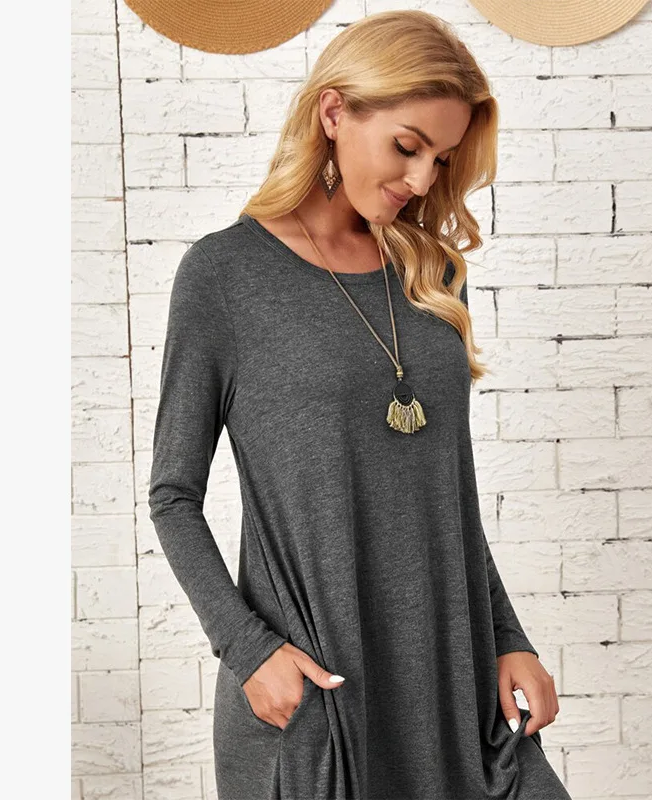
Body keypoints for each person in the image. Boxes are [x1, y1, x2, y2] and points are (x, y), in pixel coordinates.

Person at [148, 9, 572, 800]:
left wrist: (508, 639)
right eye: (408, 146)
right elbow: (173, 496)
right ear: (335, 112)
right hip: (321, 693)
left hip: (454, 684)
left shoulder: (434, 277)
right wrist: (248, 650)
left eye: (440, 159)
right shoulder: (225, 276)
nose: (422, 180)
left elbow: (446, 495)